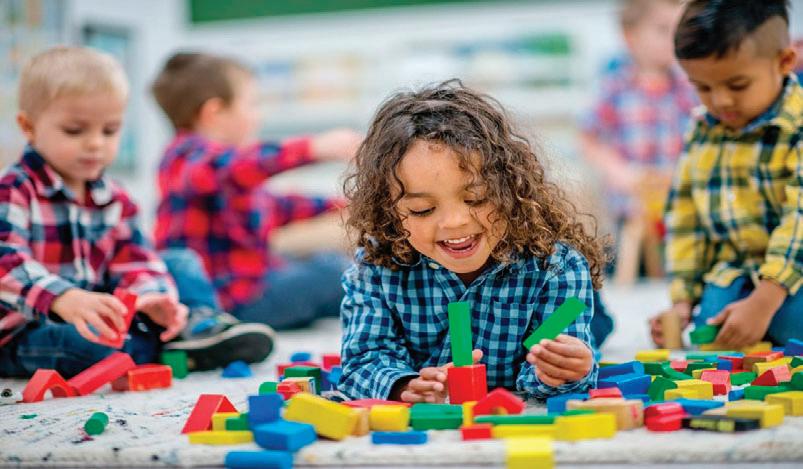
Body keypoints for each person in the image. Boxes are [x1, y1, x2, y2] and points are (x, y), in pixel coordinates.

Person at [0, 46, 273, 378]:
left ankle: (196, 327)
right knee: (93, 346)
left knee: (179, 261)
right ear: (28, 127)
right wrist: (63, 298)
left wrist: (152, 296)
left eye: (109, 130)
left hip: (99, 312)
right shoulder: (14, 189)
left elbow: (135, 257)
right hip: (24, 331)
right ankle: (165, 346)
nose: (95, 143)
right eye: (74, 130)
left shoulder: (114, 196)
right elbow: (6, 262)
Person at [338, 81, 610, 402]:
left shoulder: (557, 266)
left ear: (510, 188)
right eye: (422, 209)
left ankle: (601, 320)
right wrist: (404, 385)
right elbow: (363, 361)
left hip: (547, 285)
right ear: (390, 211)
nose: (455, 221)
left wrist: (564, 370)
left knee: (595, 330)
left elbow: (551, 377)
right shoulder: (376, 265)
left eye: (477, 198)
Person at [151, 52, 362, 330]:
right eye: (252, 104)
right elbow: (239, 166)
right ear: (214, 113)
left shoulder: (221, 170)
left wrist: (346, 204)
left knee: (328, 267)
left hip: (254, 285)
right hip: (231, 302)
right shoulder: (186, 159)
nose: (258, 115)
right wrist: (314, 148)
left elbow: (276, 206)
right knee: (334, 271)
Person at [651, 0, 803, 349]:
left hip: (794, 271)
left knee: (792, 323)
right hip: (735, 269)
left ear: (784, 62)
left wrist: (765, 300)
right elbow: (686, 221)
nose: (720, 101)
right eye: (703, 88)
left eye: (737, 85)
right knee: (710, 326)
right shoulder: (701, 131)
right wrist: (682, 302)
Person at [580, 0, 696, 282]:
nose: (674, 39)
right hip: (632, 197)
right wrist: (619, 172)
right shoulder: (616, 85)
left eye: (679, 30)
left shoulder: (685, 86)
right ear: (630, 36)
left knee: (683, 247)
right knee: (627, 245)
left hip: (677, 195)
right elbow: (589, 136)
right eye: (663, 30)